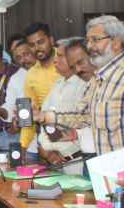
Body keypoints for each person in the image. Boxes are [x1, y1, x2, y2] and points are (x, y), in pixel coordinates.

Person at [47, 15, 124, 191]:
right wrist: (48, 117)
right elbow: (86, 117)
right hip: (107, 176)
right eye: (88, 40)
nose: (90, 46)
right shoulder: (101, 78)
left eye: (96, 39)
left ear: (116, 42)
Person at [35, 38, 88, 173]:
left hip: (75, 160)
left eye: (60, 56)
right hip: (53, 159)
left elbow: (82, 123)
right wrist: (48, 150)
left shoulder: (84, 85)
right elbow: (45, 119)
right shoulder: (58, 83)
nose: (55, 60)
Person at [22, 22, 61, 161]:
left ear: (51, 40)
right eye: (32, 45)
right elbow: (29, 115)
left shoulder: (67, 61)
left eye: (41, 42)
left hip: (76, 137)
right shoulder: (31, 75)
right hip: (49, 141)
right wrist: (22, 147)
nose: (37, 48)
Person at [64, 38, 98, 170]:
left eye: (80, 62)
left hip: (104, 157)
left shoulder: (107, 83)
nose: (78, 70)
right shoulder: (88, 85)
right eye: (72, 67)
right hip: (87, 156)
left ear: (92, 56)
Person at [0, 39, 36, 129]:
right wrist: (0, 110)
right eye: (18, 58)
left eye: (26, 54)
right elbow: (10, 106)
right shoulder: (16, 78)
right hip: (29, 132)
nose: (23, 60)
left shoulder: (54, 70)